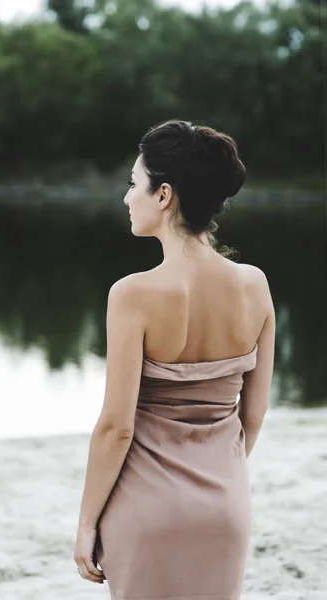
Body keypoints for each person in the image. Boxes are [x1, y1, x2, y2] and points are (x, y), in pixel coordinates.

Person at [73, 119, 275, 598]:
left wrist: (86, 523)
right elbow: (255, 412)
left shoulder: (132, 294)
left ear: (163, 195)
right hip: (224, 508)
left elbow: (116, 428)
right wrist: (214, 477)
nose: (126, 197)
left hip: (145, 509)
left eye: (132, 184)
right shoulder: (255, 285)